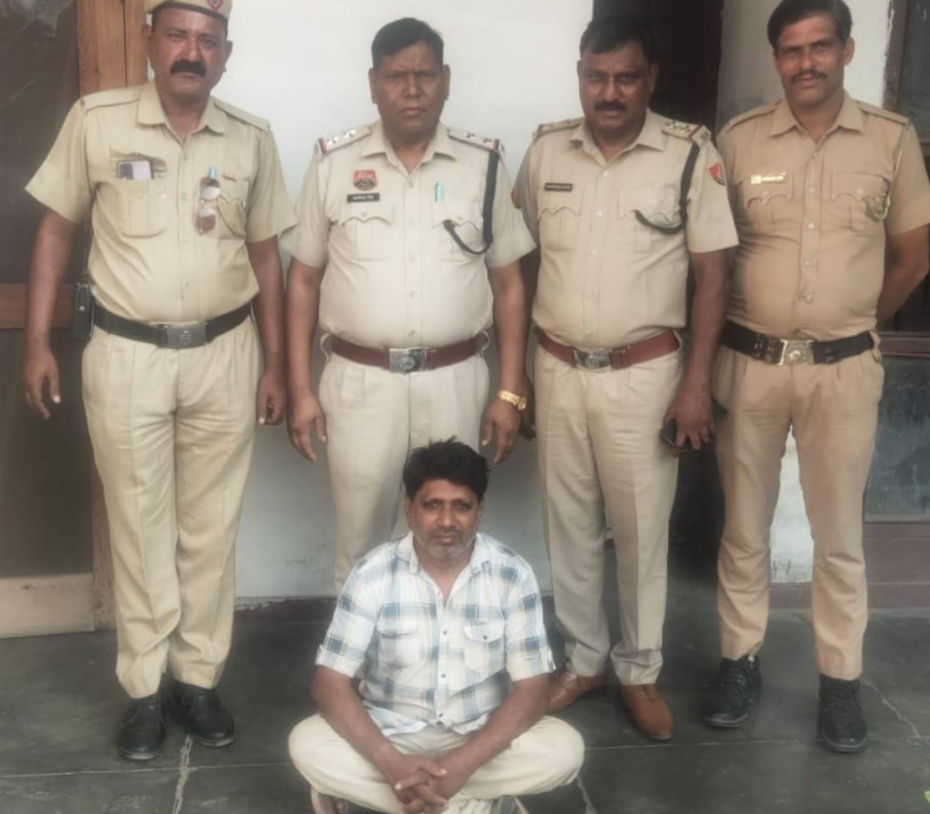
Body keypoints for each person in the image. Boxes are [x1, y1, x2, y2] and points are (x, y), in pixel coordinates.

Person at [21, 0, 295, 760]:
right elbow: (55, 230)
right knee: (139, 526)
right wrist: (37, 341)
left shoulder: (251, 139)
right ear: (150, 40)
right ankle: (144, 690)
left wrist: (277, 363)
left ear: (225, 54)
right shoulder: (96, 121)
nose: (190, 51)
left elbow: (267, 257)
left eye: (207, 40)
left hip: (225, 351)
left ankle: (196, 680)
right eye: (177, 34)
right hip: (126, 353)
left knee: (212, 526)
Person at [705, 0, 930, 753]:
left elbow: (913, 255)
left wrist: (854, 321)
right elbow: (714, 256)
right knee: (743, 531)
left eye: (820, 46)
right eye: (792, 50)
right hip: (750, 363)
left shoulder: (891, 139)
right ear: (777, 59)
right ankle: (739, 663)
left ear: (848, 50)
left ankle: (840, 683)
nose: (807, 62)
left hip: (843, 371)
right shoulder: (738, 140)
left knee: (839, 541)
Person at [513, 15, 736, 741]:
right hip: (557, 366)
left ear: (651, 78)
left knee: (640, 533)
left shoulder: (688, 154)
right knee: (568, 525)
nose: (609, 93)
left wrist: (695, 384)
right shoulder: (546, 151)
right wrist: (518, 376)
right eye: (596, 77)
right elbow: (520, 264)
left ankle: (639, 671)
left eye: (625, 78)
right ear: (579, 75)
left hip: (646, 374)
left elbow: (713, 278)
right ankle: (583, 661)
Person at [285, 18, 535, 590]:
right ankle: (362, 648)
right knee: (362, 543)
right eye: (397, 76)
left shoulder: (483, 164)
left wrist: (509, 392)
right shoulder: (333, 163)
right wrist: (300, 389)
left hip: (454, 381)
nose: (412, 88)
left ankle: (445, 646)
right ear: (373, 84)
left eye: (424, 74)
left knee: (449, 535)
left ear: (446, 80)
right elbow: (302, 281)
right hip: (360, 384)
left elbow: (509, 285)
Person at [289, 440, 588, 814]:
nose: (447, 521)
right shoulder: (371, 574)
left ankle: (394, 798)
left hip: (479, 736)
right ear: (409, 508)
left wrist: (463, 763)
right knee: (307, 743)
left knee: (564, 749)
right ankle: (470, 805)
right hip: (391, 735)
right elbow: (329, 683)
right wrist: (390, 761)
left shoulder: (512, 574)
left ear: (480, 510)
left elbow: (533, 692)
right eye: (432, 505)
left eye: (461, 506)